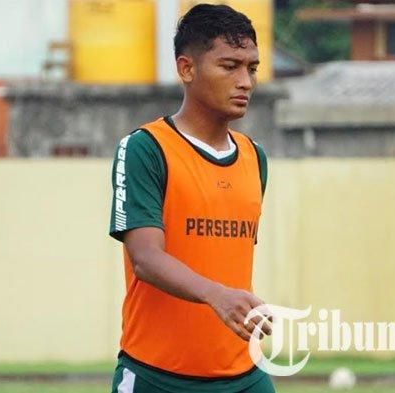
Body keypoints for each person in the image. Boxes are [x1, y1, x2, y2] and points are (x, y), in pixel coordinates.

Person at [108, 4, 274, 393]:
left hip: (244, 378)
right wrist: (217, 296)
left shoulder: (255, 157)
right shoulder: (145, 148)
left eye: (251, 67)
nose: (245, 81)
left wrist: (233, 302)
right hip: (156, 378)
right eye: (229, 66)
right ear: (186, 69)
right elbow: (146, 258)